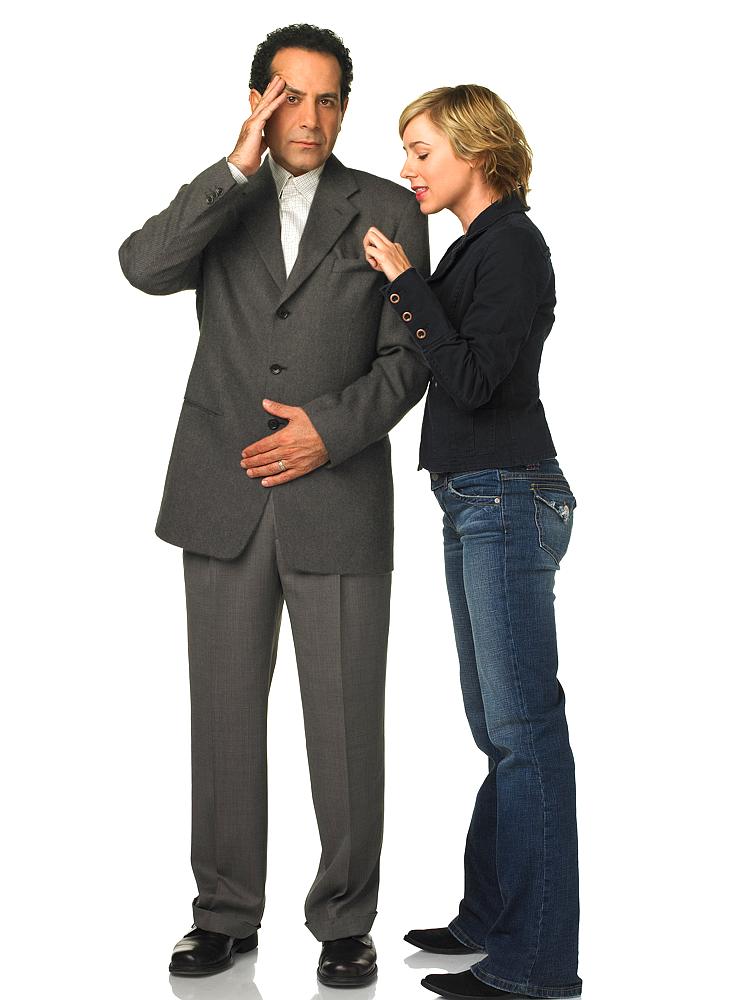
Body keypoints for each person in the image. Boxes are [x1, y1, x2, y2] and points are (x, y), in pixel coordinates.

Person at [118, 24, 429, 987]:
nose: (311, 116)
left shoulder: (388, 206)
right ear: (260, 100)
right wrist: (232, 167)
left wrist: (326, 432)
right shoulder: (226, 197)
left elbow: (410, 357)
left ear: (345, 108)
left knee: (347, 722)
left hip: (337, 495)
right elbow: (143, 265)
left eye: (329, 98)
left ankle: (345, 921)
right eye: (291, 96)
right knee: (222, 717)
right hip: (222, 493)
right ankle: (223, 915)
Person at [362, 85, 582, 999]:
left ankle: (536, 965)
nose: (408, 168)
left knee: (526, 733)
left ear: (476, 150)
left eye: (421, 151)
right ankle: (489, 922)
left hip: (506, 495)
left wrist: (404, 285)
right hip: (475, 495)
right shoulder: (475, 248)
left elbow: (476, 379)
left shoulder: (514, 247)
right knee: (500, 731)